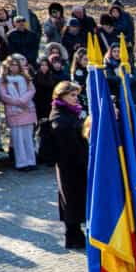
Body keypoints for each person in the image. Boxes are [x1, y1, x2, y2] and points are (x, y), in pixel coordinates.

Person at [50, 81, 89, 249]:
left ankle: (76, 233)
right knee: (71, 199)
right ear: (62, 96)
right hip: (69, 165)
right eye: (72, 95)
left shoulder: (72, 112)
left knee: (77, 198)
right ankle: (72, 235)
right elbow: (65, 138)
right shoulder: (59, 115)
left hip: (77, 163)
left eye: (76, 95)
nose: (75, 98)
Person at [0, 55, 38, 172]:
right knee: (18, 138)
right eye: (11, 65)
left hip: (27, 109)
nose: (13, 67)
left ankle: (31, 161)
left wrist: (23, 100)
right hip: (13, 111)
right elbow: (3, 95)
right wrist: (17, 102)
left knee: (28, 138)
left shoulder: (25, 77)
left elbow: (32, 90)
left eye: (15, 64)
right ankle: (21, 163)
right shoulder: (3, 79)